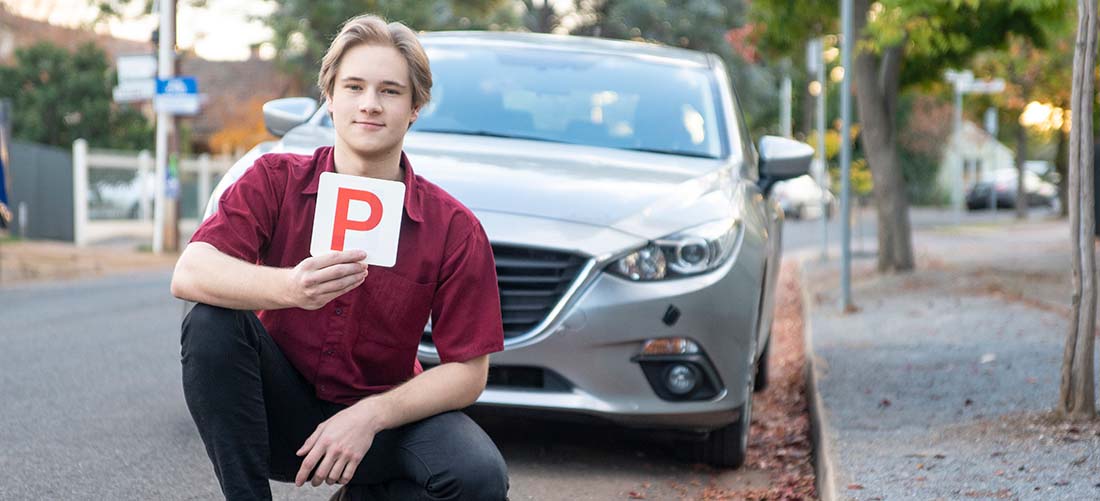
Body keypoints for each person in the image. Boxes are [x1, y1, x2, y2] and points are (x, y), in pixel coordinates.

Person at [170, 14, 508, 501]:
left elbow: (469, 372)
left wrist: (369, 416)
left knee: (477, 476)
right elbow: (191, 271)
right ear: (329, 98)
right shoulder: (273, 179)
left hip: (380, 423)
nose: (370, 104)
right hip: (274, 414)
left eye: (390, 91)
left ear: (415, 107)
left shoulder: (454, 227)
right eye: (354, 87)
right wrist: (291, 289)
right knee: (209, 322)